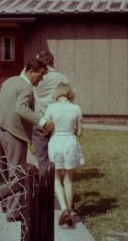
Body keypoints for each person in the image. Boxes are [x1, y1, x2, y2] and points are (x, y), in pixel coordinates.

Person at [0, 58, 54, 222]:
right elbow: (21, 108)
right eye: (40, 75)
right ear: (31, 71)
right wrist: (42, 122)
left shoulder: (9, 81)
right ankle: (14, 212)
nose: (40, 80)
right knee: (17, 172)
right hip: (13, 132)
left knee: (3, 171)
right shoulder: (26, 87)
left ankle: (5, 204)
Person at [44, 82, 84, 226]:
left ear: (57, 93)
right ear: (69, 93)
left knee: (56, 178)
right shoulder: (76, 108)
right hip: (70, 142)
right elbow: (79, 132)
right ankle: (70, 209)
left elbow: (47, 129)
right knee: (68, 178)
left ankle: (63, 209)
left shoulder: (51, 108)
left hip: (55, 142)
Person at [32, 51, 69, 171]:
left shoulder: (34, 76)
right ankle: (55, 177)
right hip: (56, 120)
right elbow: (69, 97)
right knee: (55, 153)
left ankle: (45, 180)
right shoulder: (62, 78)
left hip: (39, 118)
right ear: (52, 61)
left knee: (41, 155)